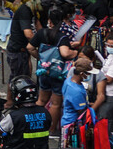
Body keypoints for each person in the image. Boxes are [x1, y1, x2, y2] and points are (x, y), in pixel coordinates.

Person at [27, 8, 78, 136]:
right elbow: (65, 53)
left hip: (43, 71)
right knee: (56, 103)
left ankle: (36, 124)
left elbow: (30, 47)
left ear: (49, 21)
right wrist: (76, 52)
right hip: (57, 74)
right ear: (61, 22)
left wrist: (39, 58)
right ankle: (50, 129)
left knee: (41, 100)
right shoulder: (62, 37)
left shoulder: (41, 33)